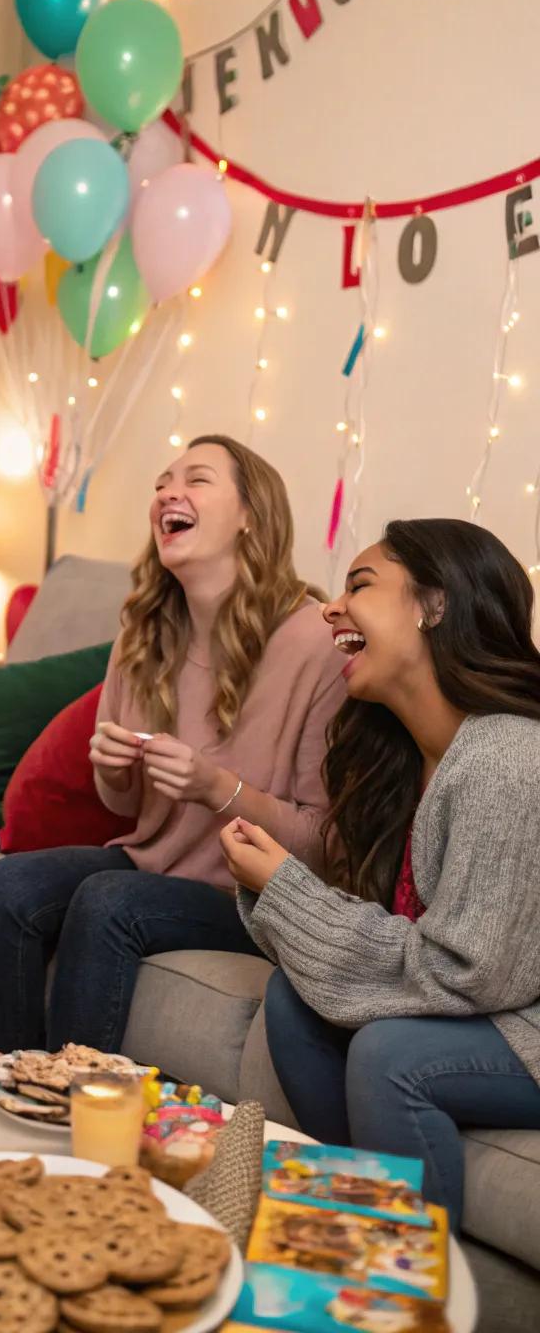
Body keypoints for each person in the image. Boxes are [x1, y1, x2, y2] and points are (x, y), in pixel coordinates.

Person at [0, 435, 345, 1055]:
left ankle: (70, 1105)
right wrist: (113, 769)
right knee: (2, 889)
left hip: (255, 897)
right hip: (152, 864)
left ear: (251, 515)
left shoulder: (315, 644)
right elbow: (122, 807)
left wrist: (216, 788)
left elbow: (323, 845)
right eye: (163, 482)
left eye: (196, 480)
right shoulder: (144, 632)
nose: (169, 492)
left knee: (108, 900)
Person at [221, 518, 540, 1231]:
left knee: (391, 1055)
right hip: (490, 1002)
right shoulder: (406, 755)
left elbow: (472, 973)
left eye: (360, 586)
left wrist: (285, 891)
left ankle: (400, 1276)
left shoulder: (506, 757)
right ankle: (351, 1226)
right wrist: (283, 885)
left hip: (524, 1018)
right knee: (295, 1002)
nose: (331, 608)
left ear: (435, 604)